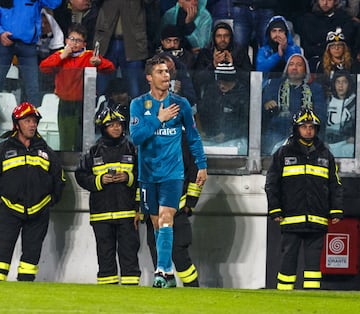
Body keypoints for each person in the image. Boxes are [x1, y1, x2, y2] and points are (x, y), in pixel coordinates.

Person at [129, 55, 207, 288]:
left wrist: (202, 165)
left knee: (166, 218)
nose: (166, 76)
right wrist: (158, 118)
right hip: (148, 175)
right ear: (149, 78)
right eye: (160, 72)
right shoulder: (138, 104)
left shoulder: (181, 104)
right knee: (156, 224)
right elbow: (137, 137)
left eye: (167, 72)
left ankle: (162, 271)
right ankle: (169, 275)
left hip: (173, 174)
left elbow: (193, 137)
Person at [265, 108, 343, 290]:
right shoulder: (283, 153)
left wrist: (336, 209)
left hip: (317, 218)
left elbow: (335, 184)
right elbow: (272, 183)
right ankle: (284, 299)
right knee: (288, 260)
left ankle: (312, 299)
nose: (308, 130)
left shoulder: (325, 154)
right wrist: (275, 208)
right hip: (291, 218)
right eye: (304, 126)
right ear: (296, 128)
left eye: (312, 127)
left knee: (314, 266)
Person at [0, 102, 65, 282]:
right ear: (17, 123)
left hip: (39, 212)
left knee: (31, 257)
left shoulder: (47, 151)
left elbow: (59, 179)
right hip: (8, 210)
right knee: (1, 256)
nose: (32, 125)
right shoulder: (3, 150)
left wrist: (49, 201)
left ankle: (25, 295)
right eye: (27, 121)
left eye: (34, 121)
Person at [75, 107, 141, 285]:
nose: (116, 128)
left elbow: (143, 179)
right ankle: (106, 296)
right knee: (105, 257)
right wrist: (99, 180)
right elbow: (80, 175)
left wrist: (128, 178)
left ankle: (132, 296)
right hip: (101, 214)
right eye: (111, 125)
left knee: (129, 258)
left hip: (127, 214)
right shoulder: (93, 152)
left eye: (119, 124)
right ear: (103, 128)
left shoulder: (132, 150)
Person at [39, 23, 115, 151]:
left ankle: (83, 165)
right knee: (66, 140)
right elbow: (43, 67)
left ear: (84, 44)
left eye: (78, 41)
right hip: (65, 103)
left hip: (84, 104)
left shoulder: (90, 56)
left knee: (83, 139)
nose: (74, 43)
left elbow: (110, 68)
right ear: (66, 40)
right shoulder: (60, 55)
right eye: (72, 39)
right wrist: (63, 56)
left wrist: (99, 62)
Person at [145, 133, 203, 287]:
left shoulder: (185, 140)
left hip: (177, 211)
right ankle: (165, 284)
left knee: (179, 254)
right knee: (157, 252)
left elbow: (195, 174)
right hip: (154, 211)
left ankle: (192, 288)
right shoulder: (147, 138)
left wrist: (189, 203)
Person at [261, 54, 327, 155]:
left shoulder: (315, 89)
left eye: (299, 64)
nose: (294, 67)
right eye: (291, 64)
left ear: (305, 70)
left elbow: (320, 115)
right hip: (278, 131)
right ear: (287, 68)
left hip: (306, 133)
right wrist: (266, 105)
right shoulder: (273, 85)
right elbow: (261, 113)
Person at [0, 0, 61, 107]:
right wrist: (0, 33)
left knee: (33, 88)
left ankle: (33, 120)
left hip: (28, 45)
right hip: (4, 43)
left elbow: (55, 3)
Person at [93, 0, 149, 98]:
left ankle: (135, 113)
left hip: (133, 42)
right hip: (106, 41)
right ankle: (101, 112)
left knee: (134, 89)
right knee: (102, 89)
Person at [193, 21, 252, 99]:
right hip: (211, 96)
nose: (222, 39)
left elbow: (249, 78)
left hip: (236, 95)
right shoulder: (205, 53)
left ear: (231, 37)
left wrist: (232, 66)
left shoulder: (240, 52)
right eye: (219, 36)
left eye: (226, 36)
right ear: (214, 37)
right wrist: (213, 65)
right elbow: (197, 80)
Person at [198, 62, 249, 151]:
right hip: (211, 139)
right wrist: (204, 131)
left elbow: (245, 122)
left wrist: (227, 134)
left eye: (225, 82)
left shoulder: (243, 95)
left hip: (235, 140)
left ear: (232, 81)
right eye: (219, 82)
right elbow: (203, 112)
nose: (221, 85)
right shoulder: (211, 91)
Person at [300, 0, 355, 71]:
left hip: (343, 64)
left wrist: (321, 43)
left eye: (329, 0)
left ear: (336, 1)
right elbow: (308, 48)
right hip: (317, 63)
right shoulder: (308, 20)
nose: (325, 3)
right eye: (322, 0)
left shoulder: (345, 19)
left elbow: (348, 45)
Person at [326, 70, 356, 156]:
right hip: (328, 144)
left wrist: (353, 137)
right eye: (338, 82)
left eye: (344, 82)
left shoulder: (354, 102)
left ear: (349, 84)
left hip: (346, 143)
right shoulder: (327, 101)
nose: (340, 85)